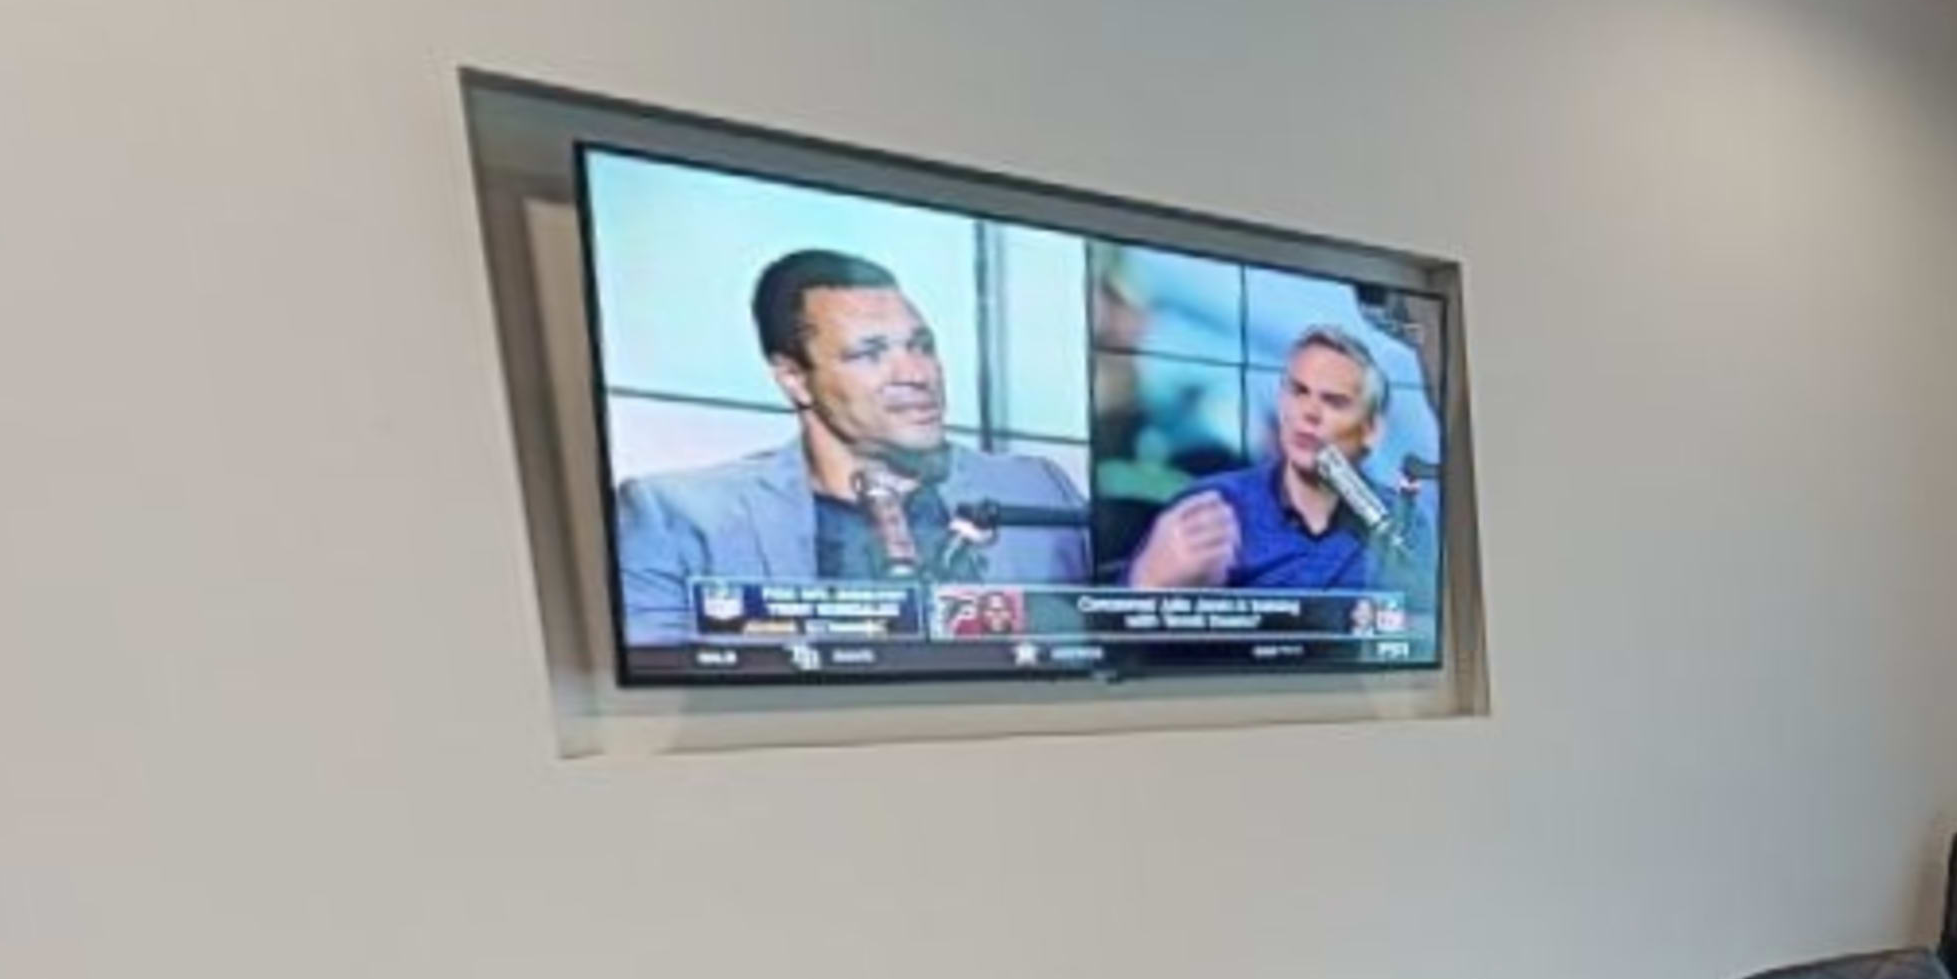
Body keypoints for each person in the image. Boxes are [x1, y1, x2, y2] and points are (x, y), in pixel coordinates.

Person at [612, 249, 1090, 645]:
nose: (916, 375)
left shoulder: (1036, 489)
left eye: (921, 346)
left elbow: (1110, 639)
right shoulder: (682, 516)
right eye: (869, 353)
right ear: (794, 379)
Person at [1120, 325, 1431, 596]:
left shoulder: (1404, 526)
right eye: (1298, 392)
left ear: (1371, 431)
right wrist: (1147, 581)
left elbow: (1428, 625)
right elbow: (1114, 642)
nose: (1309, 413)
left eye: (1334, 401)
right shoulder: (1211, 506)